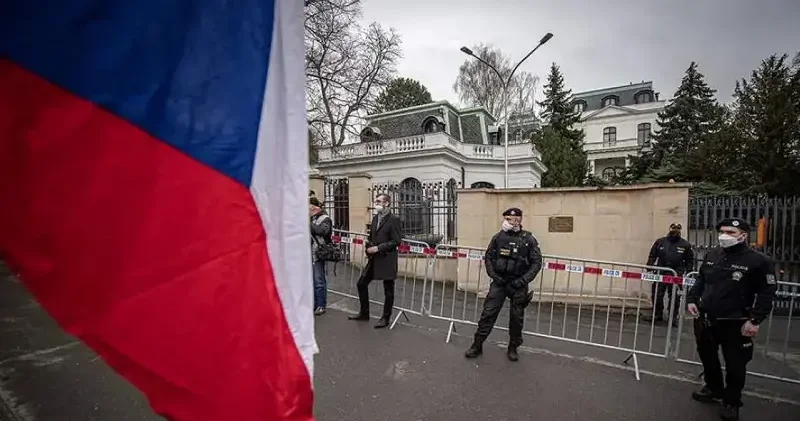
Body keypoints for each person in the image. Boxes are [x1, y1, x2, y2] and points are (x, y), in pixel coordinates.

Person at [686, 218, 777, 421]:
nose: (724, 236)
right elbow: (701, 279)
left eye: (731, 232)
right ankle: (713, 388)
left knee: (735, 364)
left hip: (736, 322)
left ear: (744, 235)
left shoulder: (759, 261)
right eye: (722, 232)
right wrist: (692, 299)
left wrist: (755, 320)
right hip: (706, 318)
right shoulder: (713, 255)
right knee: (708, 358)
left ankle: (731, 402)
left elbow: (766, 292)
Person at [465, 207, 542, 361]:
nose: (507, 222)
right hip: (500, 282)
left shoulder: (528, 240)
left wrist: (522, 281)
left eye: (511, 219)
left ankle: (513, 347)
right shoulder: (498, 238)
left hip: (518, 284)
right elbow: (488, 258)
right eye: (506, 219)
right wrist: (494, 276)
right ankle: (477, 344)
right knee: (488, 313)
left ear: (519, 220)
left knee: (516, 318)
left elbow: (536, 263)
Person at [348, 194, 401, 329]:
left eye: (378, 201)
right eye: (375, 201)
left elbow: (396, 241)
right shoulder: (376, 218)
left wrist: (378, 248)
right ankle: (364, 313)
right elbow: (372, 236)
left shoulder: (394, 219)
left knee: (388, 290)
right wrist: (368, 248)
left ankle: (385, 318)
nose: (375, 203)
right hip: (374, 259)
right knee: (361, 283)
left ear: (387, 203)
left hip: (387, 258)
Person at [644, 222, 694, 325]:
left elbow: (689, 260)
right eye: (673, 228)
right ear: (669, 229)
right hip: (661, 272)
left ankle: (673, 317)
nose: (675, 230)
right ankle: (657, 315)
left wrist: (688, 271)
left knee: (675, 297)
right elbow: (652, 255)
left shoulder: (685, 245)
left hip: (676, 274)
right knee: (657, 294)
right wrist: (650, 265)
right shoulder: (660, 242)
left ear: (680, 231)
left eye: (677, 229)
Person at [310, 197, 332, 315]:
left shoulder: (325, 219)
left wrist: (307, 224)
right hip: (309, 253)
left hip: (318, 253)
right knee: (311, 280)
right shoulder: (311, 218)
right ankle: (313, 304)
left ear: (314, 207)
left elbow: (323, 232)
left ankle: (321, 305)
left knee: (319, 280)